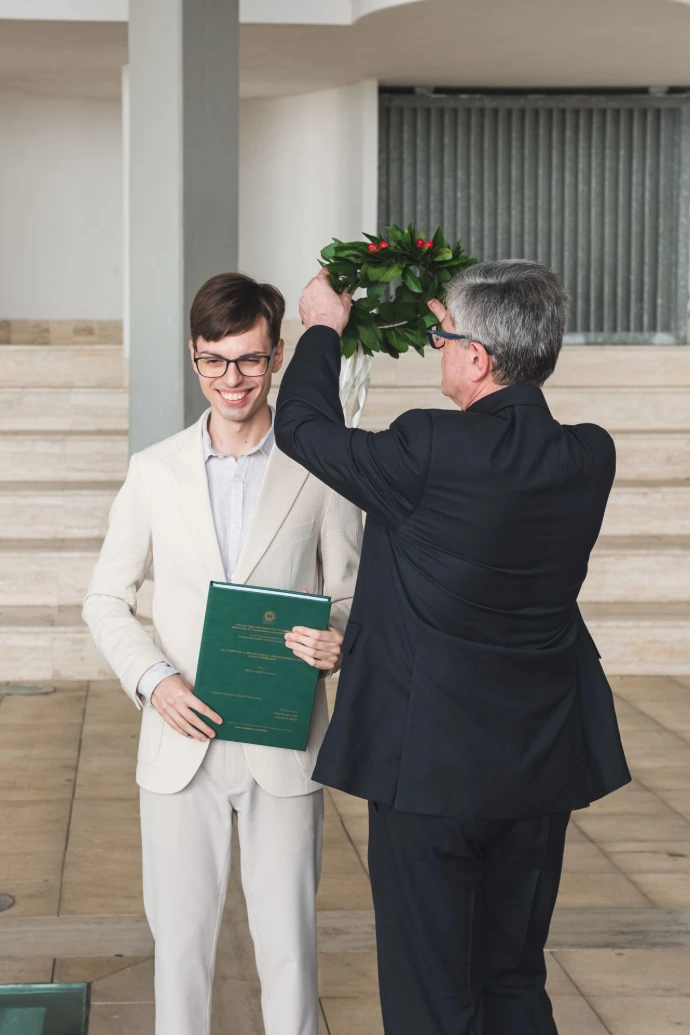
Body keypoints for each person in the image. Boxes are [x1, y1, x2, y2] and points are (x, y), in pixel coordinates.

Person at [274, 260, 630, 1035]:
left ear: (476, 357)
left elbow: (301, 427)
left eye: (444, 339)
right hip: (538, 766)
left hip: (430, 772)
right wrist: (459, 320)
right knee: (512, 980)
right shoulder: (588, 456)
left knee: (431, 998)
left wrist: (323, 327)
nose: (437, 347)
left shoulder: (428, 448)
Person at [83, 272, 362, 1035]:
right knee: (178, 955)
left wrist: (338, 638)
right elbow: (105, 598)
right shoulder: (154, 471)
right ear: (193, 356)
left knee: (291, 953)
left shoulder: (321, 468)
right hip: (180, 742)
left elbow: (352, 591)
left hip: (285, 741)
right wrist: (155, 680)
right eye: (215, 359)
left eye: (248, 359)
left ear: (277, 355)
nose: (231, 378)